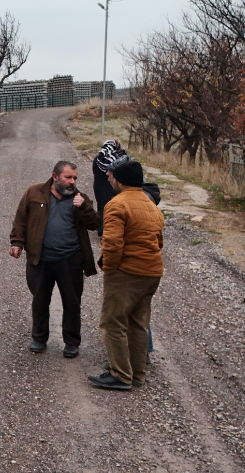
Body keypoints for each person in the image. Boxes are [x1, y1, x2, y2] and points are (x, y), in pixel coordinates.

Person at [9, 160, 100, 358]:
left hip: (70, 259)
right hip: (40, 259)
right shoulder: (34, 193)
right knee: (40, 300)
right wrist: (17, 242)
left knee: (72, 302)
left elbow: (95, 224)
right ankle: (39, 338)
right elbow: (20, 219)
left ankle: (72, 342)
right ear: (55, 176)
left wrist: (84, 207)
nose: (72, 182)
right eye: (68, 177)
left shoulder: (80, 198)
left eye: (75, 178)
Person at [89, 160, 165, 391]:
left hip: (127, 272)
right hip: (152, 271)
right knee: (138, 323)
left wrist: (109, 269)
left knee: (112, 322)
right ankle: (137, 373)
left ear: (120, 181)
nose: (109, 180)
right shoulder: (151, 204)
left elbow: (112, 243)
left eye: (112, 177)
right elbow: (159, 241)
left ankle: (120, 374)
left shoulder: (116, 204)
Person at [92, 139, 128, 232]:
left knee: (102, 206)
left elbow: (94, 171)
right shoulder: (117, 160)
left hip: (99, 186)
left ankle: (101, 228)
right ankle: (112, 228)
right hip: (112, 186)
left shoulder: (98, 159)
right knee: (113, 207)